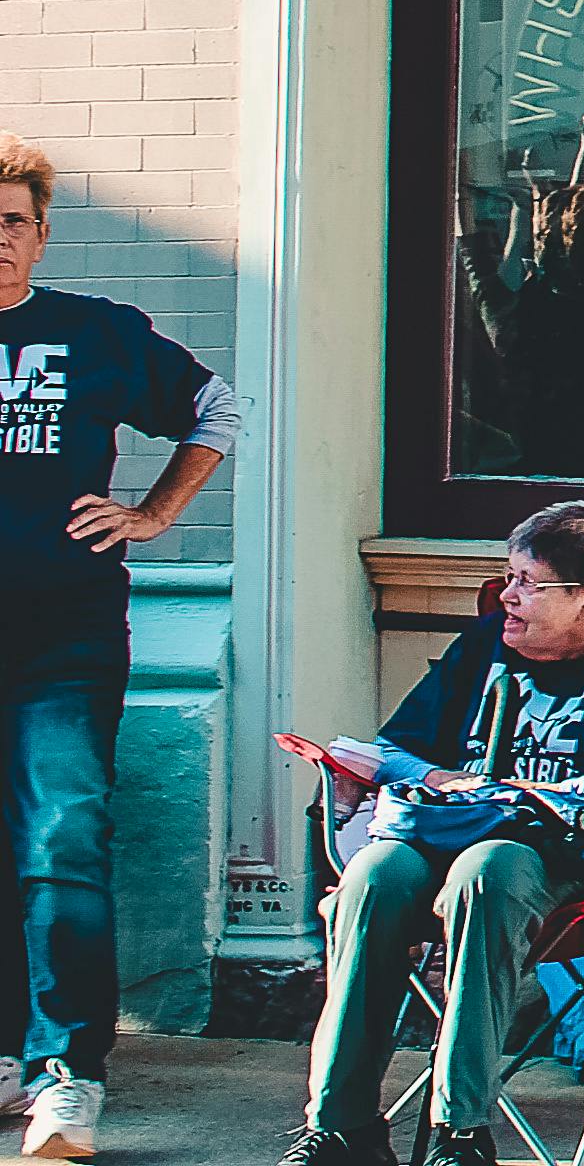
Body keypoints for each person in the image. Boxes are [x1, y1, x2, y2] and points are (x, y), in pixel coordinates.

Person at [0, 133, 242, 1162]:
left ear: (42, 236)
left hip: (64, 640)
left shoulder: (95, 334)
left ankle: (67, 1078)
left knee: (61, 841)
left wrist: (152, 513)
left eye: (12, 221)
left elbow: (216, 407)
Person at [283, 502, 584, 1166]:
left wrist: (540, 797)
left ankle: (461, 1132)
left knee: (488, 869)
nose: (507, 596)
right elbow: (396, 745)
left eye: (526, 583)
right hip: (438, 838)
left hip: (552, 862)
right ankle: (343, 1129)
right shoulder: (483, 644)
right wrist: (438, 777)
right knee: (372, 877)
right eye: (507, 578)